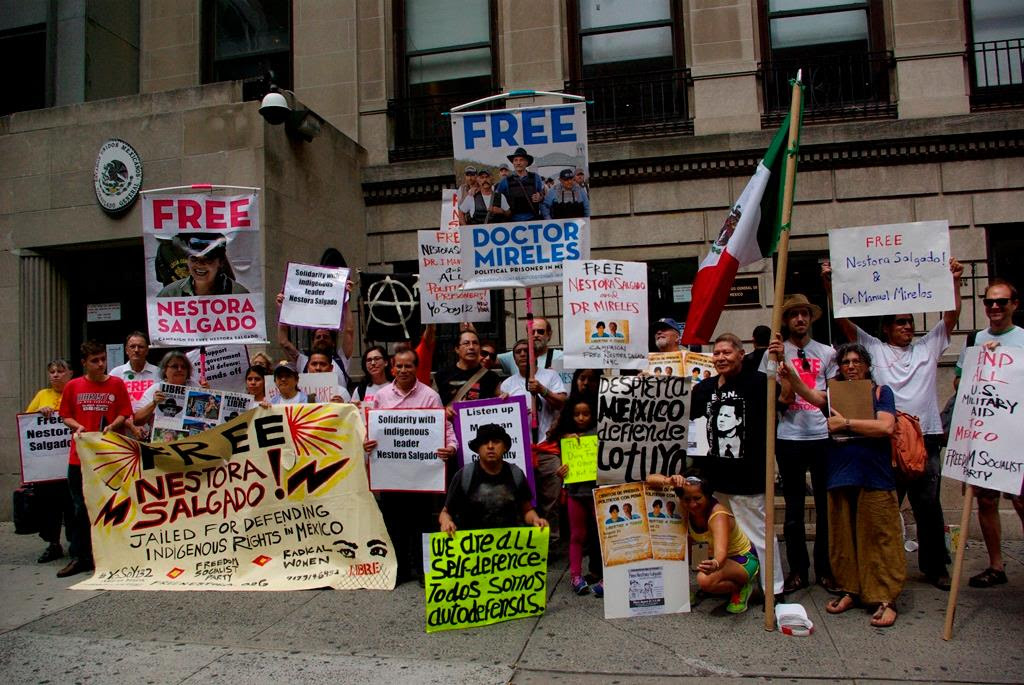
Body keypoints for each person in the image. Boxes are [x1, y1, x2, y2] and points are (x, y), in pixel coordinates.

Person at [825, 257, 962, 590]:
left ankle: (935, 567)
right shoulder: (874, 349)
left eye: (909, 322)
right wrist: (830, 284)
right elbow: (844, 321)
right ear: (886, 328)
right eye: (900, 322)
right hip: (885, 441)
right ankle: (879, 568)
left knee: (928, 505)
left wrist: (955, 281)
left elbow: (951, 317)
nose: (907, 327)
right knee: (885, 508)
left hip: (925, 438)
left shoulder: (928, 347)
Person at [778, 342, 905, 627]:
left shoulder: (881, 392)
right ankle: (852, 589)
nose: (851, 366)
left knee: (880, 538)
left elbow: (885, 426)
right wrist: (788, 372)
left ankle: (885, 598)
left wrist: (845, 423)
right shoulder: (833, 394)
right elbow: (810, 394)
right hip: (840, 476)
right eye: (846, 362)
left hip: (874, 476)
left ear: (867, 365)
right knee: (844, 540)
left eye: (857, 361)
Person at [689, 333, 785, 599]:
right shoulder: (703, 389)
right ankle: (732, 582)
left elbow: (786, 398)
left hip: (748, 478)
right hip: (714, 481)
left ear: (741, 355)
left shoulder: (759, 383)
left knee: (759, 535)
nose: (721, 358)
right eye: (717, 353)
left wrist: (781, 363)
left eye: (727, 352)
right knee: (722, 537)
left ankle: (773, 589)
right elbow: (694, 430)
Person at [762, 295, 837, 593]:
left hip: (821, 437)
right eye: (794, 314)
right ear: (786, 320)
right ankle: (797, 570)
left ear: (811, 318)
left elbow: (829, 398)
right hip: (789, 438)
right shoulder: (773, 354)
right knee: (793, 511)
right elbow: (775, 399)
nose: (800, 319)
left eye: (804, 313)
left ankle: (825, 569)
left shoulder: (827, 353)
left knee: (825, 508)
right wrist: (780, 360)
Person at [365, 349, 456, 584]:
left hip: (422, 474)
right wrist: (367, 443)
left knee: (422, 522)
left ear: (416, 368)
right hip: (391, 473)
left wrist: (451, 447)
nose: (403, 370)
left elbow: (445, 428)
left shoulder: (430, 396)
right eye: (399, 366)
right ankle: (400, 569)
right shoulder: (382, 396)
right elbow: (371, 430)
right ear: (392, 368)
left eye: (408, 366)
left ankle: (425, 570)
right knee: (394, 522)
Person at [956, 279, 1024, 588]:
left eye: (1001, 302)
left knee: (1021, 501)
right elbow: (959, 382)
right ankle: (996, 565)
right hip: (985, 433)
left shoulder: (1022, 339)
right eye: (989, 302)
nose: (994, 307)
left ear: (1014, 305)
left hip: (1017, 434)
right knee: (985, 500)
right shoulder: (975, 339)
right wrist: (983, 362)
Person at [58, 341, 132, 577]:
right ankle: (81, 556)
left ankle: (114, 553)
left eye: (103, 359)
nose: (101, 364)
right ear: (84, 363)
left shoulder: (116, 384)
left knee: (114, 505)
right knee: (81, 508)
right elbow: (65, 415)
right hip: (80, 458)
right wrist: (77, 426)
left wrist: (114, 424)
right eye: (95, 361)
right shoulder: (73, 386)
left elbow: (125, 411)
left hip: (110, 457)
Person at [648, 472, 760, 614]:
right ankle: (685, 589)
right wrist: (668, 480)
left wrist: (715, 564)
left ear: (707, 495)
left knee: (705, 580)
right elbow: (650, 479)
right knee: (668, 548)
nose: (692, 504)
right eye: (687, 499)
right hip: (711, 553)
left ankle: (741, 587)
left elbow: (721, 553)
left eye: (697, 498)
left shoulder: (718, 515)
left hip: (741, 559)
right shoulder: (683, 501)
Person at [439, 424, 546, 534]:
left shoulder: (516, 474)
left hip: (509, 542)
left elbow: (527, 510)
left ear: (505, 447)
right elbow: (445, 513)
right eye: (485, 442)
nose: (490, 446)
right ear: (478, 449)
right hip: (472, 543)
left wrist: (535, 519)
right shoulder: (464, 476)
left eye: (496, 442)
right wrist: (446, 522)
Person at [548, 393, 602, 596]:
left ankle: (606, 575)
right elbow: (563, 466)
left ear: (593, 415)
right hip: (576, 493)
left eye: (585, 414)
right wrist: (561, 471)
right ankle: (576, 576)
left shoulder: (601, 433)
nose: (581, 418)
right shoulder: (565, 437)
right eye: (577, 414)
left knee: (603, 536)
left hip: (597, 493)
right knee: (577, 535)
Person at [25, 358, 75, 564]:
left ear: (70, 373)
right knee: (49, 505)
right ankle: (53, 544)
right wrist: (40, 413)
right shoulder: (42, 395)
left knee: (73, 505)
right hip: (48, 465)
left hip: (72, 460)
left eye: (60, 371)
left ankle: (76, 543)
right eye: (52, 371)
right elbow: (28, 423)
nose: (55, 375)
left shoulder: (76, 392)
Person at [275, 289, 355, 388]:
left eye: (326, 337)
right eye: (318, 337)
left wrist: (345, 300)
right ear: (313, 342)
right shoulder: (303, 362)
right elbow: (283, 342)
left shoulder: (341, 359)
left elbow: (349, 331)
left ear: (333, 342)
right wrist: (282, 311)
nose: (322, 339)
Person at [156, 234, 249, 297]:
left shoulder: (239, 295)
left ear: (221, 262)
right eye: (194, 258)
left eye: (208, 259)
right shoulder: (169, 294)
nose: (200, 264)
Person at [434, 329, 501, 414]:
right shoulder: (441, 375)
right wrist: (444, 411)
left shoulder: (492, 378)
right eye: (466, 343)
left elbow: (500, 407)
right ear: (457, 349)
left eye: (475, 343)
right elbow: (432, 407)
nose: (471, 347)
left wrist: (505, 399)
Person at [110, 331, 160, 440]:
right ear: (126, 350)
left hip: (152, 434)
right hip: (123, 435)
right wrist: (132, 425)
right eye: (132, 346)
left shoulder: (159, 373)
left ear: (147, 350)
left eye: (141, 347)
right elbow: (111, 406)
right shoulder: (115, 373)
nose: (136, 350)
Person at [133, 351, 196, 426]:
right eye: (174, 366)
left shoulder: (195, 386)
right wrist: (153, 403)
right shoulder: (156, 389)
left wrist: (207, 393)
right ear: (165, 370)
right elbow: (137, 421)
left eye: (184, 367)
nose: (180, 369)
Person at [494, 147, 544, 221]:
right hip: (512, 220)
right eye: (516, 160)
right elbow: (496, 199)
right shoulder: (505, 181)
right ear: (513, 163)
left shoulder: (536, 177)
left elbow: (542, 195)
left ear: (526, 162)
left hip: (532, 219)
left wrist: (540, 197)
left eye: (521, 160)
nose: (518, 163)